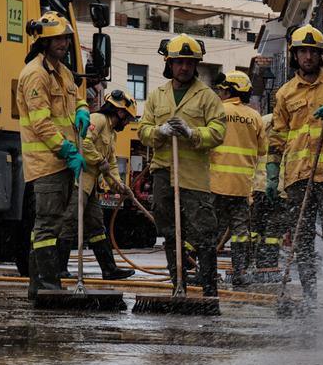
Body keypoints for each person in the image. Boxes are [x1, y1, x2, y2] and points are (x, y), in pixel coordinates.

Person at [266, 24, 323, 313]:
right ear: (294, 55)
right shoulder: (284, 94)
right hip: (297, 178)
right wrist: (272, 174)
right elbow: (277, 137)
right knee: (302, 242)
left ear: (321, 55)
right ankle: (309, 298)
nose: (308, 56)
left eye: (313, 52)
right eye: (303, 51)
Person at [138, 34, 228, 297]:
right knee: (170, 232)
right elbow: (143, 131)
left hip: (194, 177)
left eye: (189, 62)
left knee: (204, 234)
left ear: (196, 64)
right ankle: (178, 285)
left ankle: (209, 290)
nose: (185, 67)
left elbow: (219, 132)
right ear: (170, 63)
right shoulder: (157, 95)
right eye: (179, 62)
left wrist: (192, 133)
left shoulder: (207, 97)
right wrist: (160, 131)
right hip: (164, 173)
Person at [16, 11, 90, 300]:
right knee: (46, 226)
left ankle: (39, 286)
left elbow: (78, 96)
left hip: (61, 163)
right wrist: (68, 150)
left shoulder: (63, 71)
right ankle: (47, 285)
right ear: (44, 41)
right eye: (57, 38)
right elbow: (41, 123)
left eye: (65, 38)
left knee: (52, 225)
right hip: (47, 163)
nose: (63, 43)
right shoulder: (36, 73)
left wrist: (83, 109)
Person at [211, 70, 266, 286]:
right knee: (240, 232)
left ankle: (207, 272)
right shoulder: (255, 117)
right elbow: (262, 150)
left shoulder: (217, 111)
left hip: (216, 183)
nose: (221, 93)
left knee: (212, 230)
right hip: (242, 188)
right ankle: (240, 273)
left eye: (223, 90)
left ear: (228, 90)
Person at [78, 88, 138, 280]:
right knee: (68, 224)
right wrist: (98, 160)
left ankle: (109, 269)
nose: (128, 123)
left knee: (96, 226)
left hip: (90, 187)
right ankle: (58, 270)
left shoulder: (112, 134)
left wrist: (120, 187)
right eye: (127, 118)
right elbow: (83, 141)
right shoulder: (97, 120)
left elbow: (111, 164)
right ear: (120, 112)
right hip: (77, 183)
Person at [251, 112, 284, 282]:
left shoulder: (262, 121)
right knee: (273, 230)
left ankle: (248, 264)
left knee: (255, 228)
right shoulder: (294, 122)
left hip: (259, 184)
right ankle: (269, 266)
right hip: (281, 186)